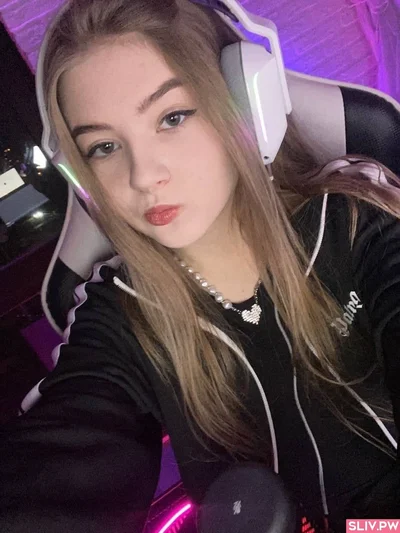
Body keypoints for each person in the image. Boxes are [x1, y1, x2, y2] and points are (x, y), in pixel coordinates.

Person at [1, 0, 400, 531]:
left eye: (172, 118)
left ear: (245, 104)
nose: (143, 176)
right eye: (104, 146)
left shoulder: (356, 223)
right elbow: (60, 460)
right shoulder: (121, 315)